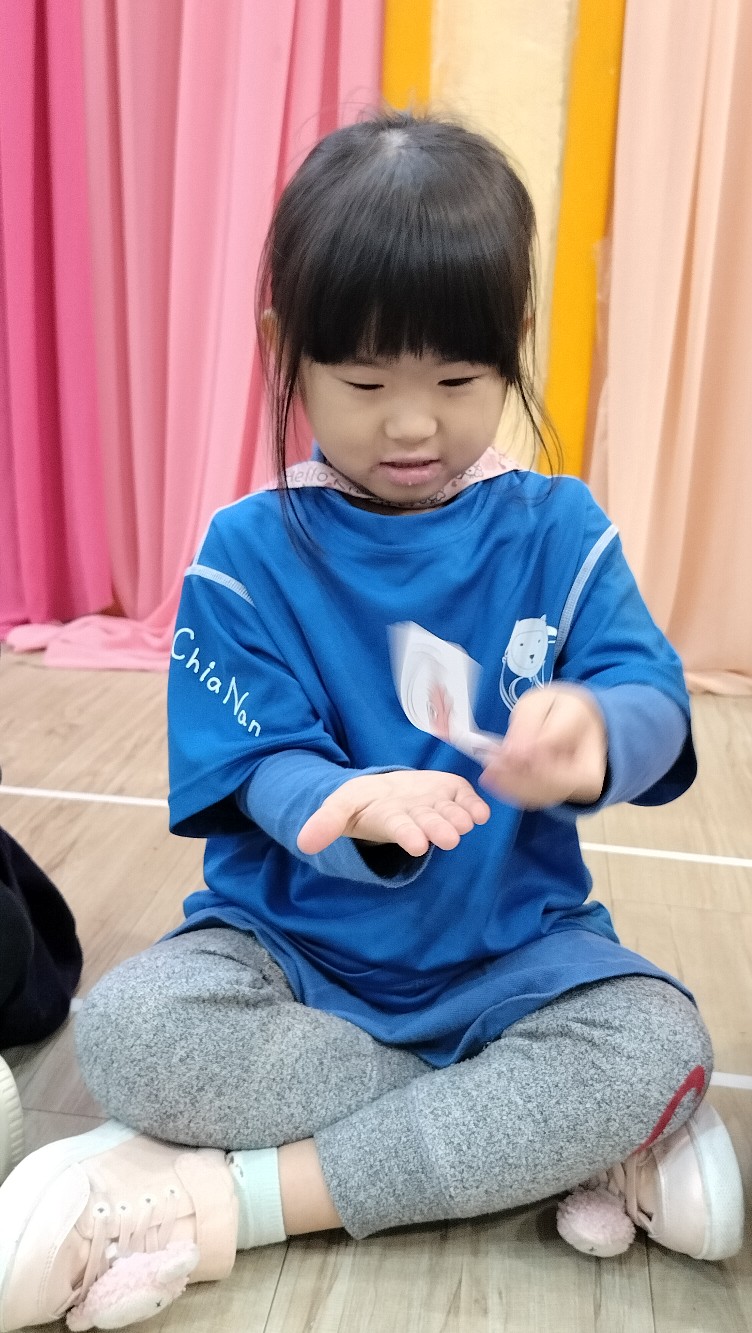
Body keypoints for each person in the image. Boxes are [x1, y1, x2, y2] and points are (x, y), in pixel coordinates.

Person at [0, 109, 744, 1331]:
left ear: (512, 347)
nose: (410, 425)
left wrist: (597, 731)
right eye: (362, 384)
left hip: (513, 960)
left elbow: (652, 698)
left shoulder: (559, 531)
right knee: (131, 1033)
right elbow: (251, 760)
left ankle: (228, 1198)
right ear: (283, 351)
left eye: (455, 382)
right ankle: (539, 1133)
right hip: (288, 959)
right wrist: (347, 798)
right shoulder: (244, 554)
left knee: (654, 1039)